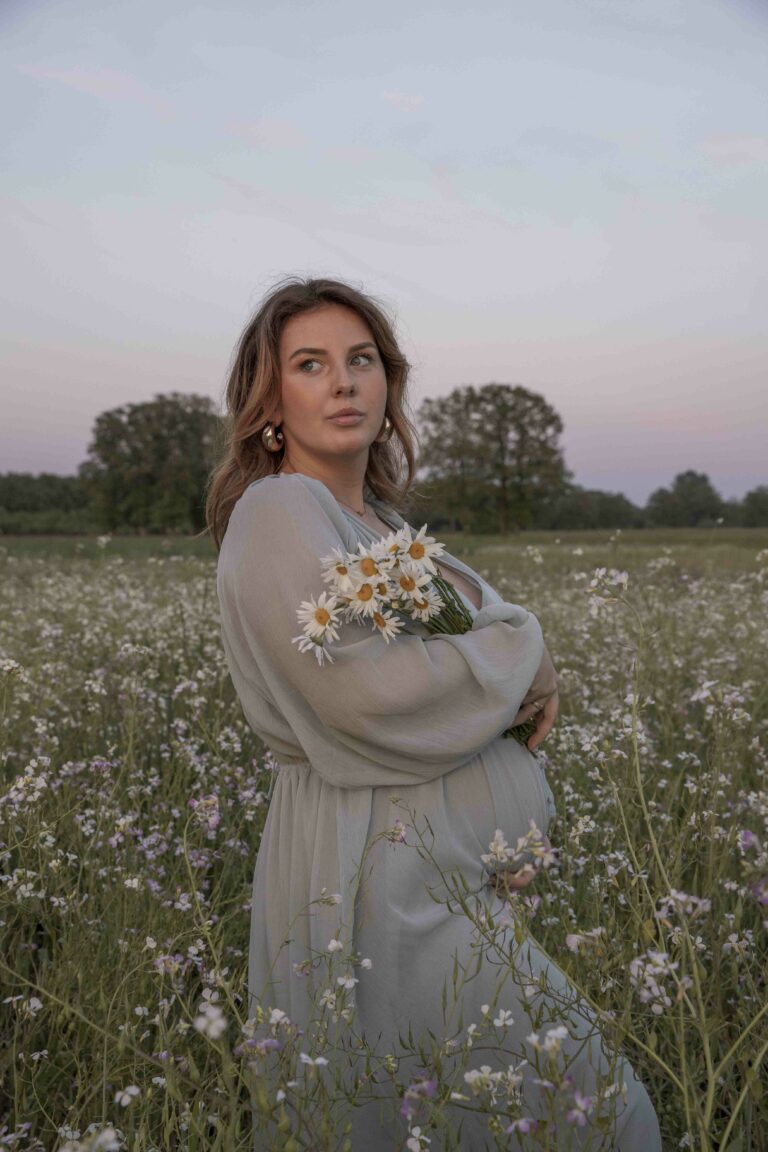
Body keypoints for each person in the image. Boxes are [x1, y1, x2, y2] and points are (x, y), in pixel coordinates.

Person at [208, 276, 662, 1149]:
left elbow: (449, 678)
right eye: (309, 364)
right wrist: (523, 649)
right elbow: (366, 699)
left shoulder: (379, 523)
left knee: (486, 1118)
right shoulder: (279, 509)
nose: (342, 383)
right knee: (600, 1115)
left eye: (362, 360)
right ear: (271, 401)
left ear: (389, 386)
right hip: (374, 883)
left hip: (443, 884)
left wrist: (496, 836)